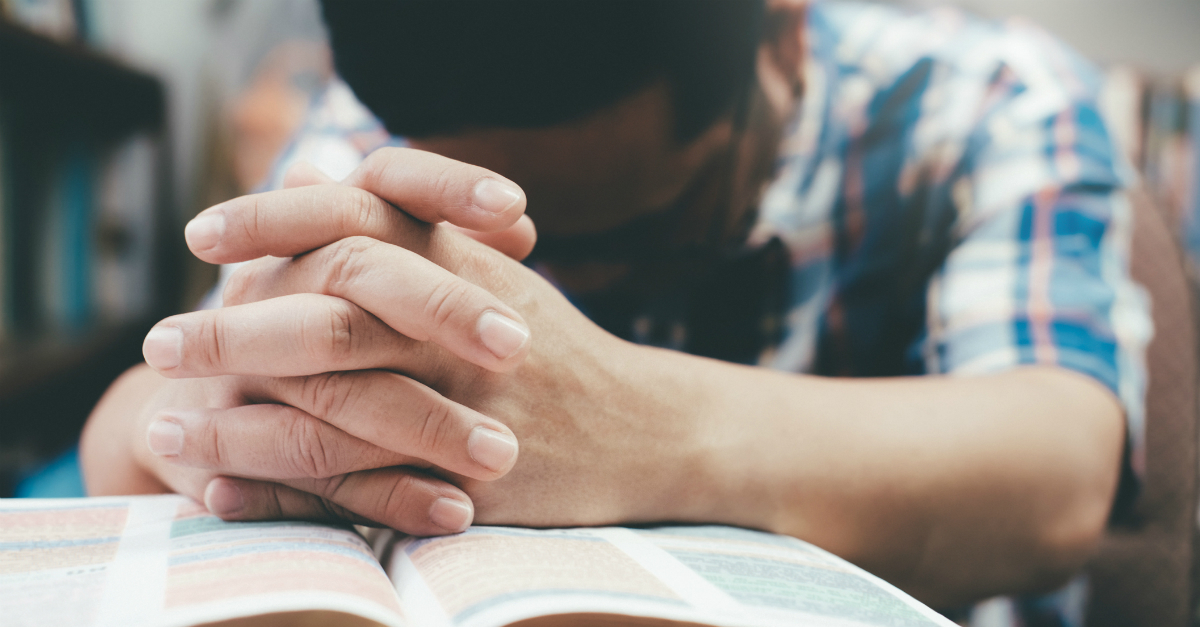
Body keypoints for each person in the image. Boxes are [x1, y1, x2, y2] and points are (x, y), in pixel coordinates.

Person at [79, 0, 1151, 618]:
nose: (570, 281)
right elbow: (139, 426)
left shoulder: (994, 101)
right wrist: (199, 409)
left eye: (645, 220)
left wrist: (628, 419)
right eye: (514, 229)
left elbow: (1058, 476)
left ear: (780, 35)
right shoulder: (380, 127)